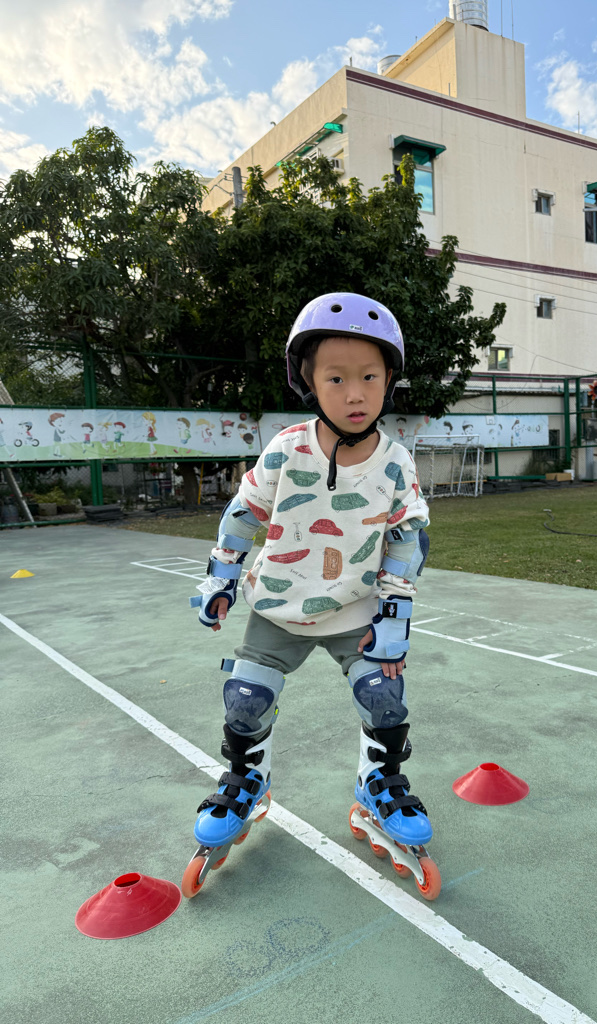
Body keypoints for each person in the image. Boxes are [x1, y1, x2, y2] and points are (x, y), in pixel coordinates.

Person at [188, 293, 434, 889]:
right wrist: (222, 577)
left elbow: (408, 538)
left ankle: (376, 785)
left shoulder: (396, 463)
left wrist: (394, 615)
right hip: (279, 606)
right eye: (336, 378)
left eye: (369, 376)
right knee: (245, 699)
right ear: (308, 381)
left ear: (389, 381)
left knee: (384, 698)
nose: (355, 394)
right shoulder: (287, 448)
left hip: (357, 610)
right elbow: (244, 513)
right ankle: (248, 778)